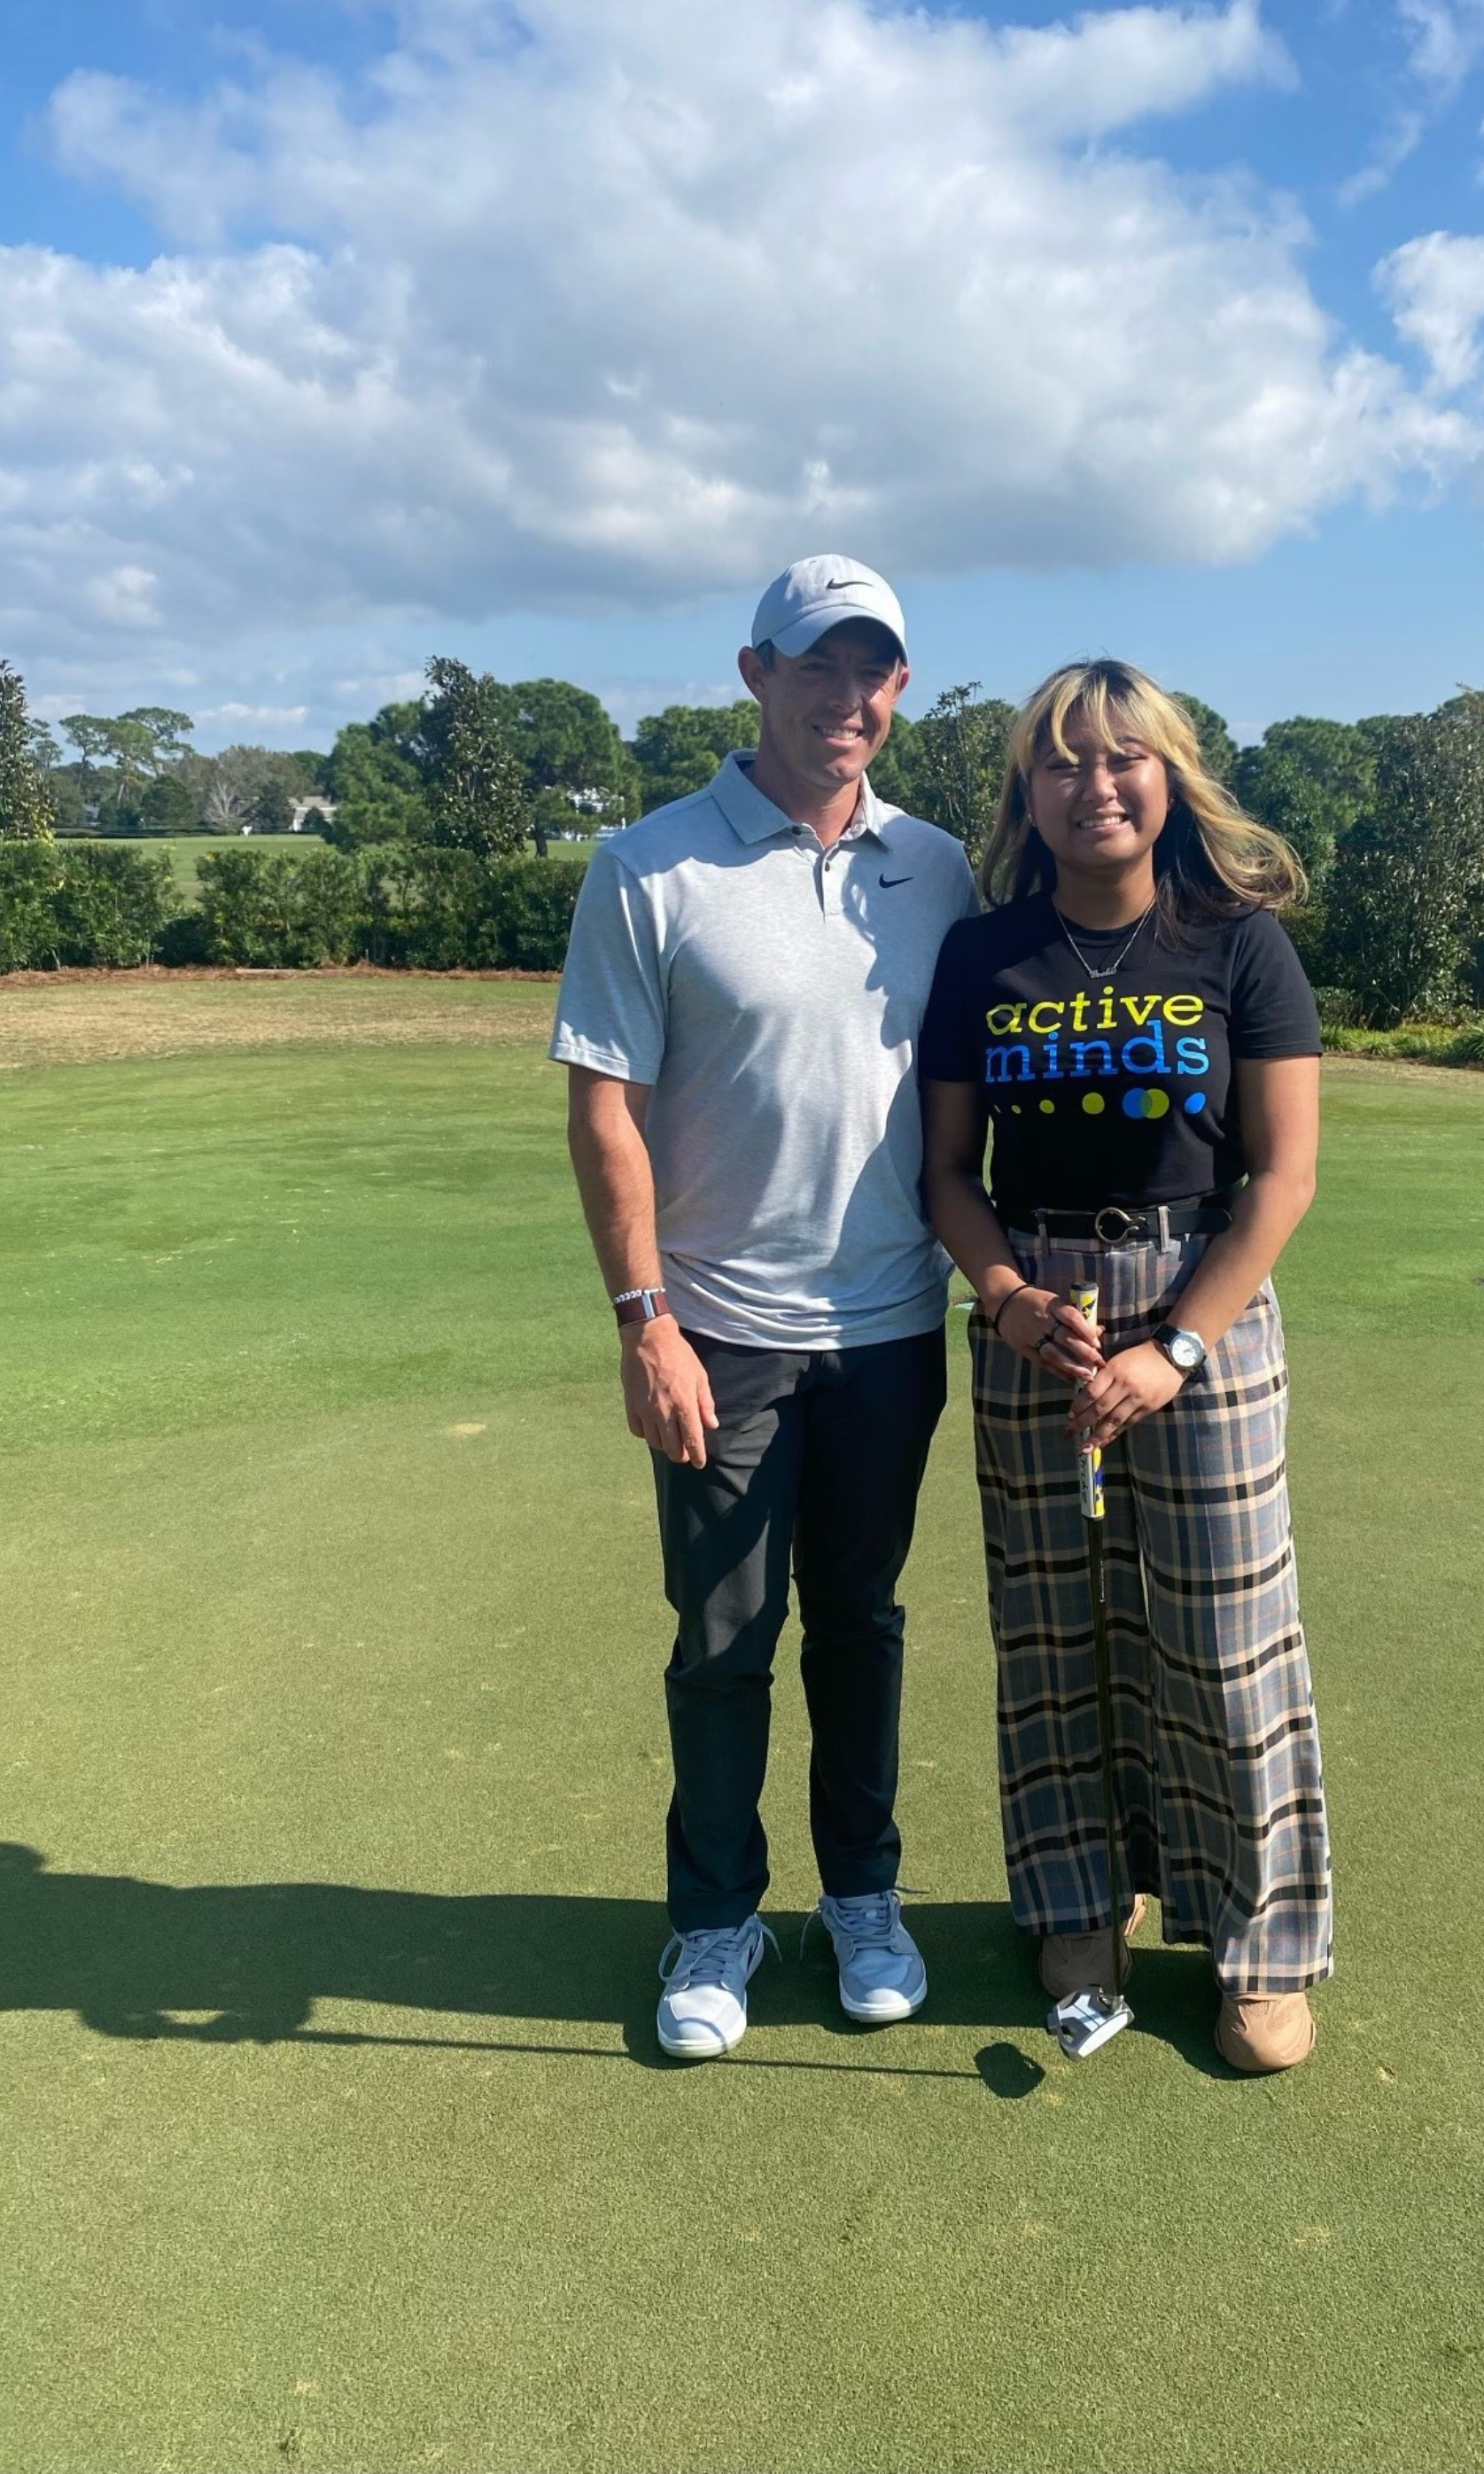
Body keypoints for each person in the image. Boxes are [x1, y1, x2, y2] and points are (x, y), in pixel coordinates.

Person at [552, 555, 979, 2059]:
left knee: (860, 1623)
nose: (845, 697)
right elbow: (605, 1105)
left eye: (874, 670)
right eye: (818, 665)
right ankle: (717, 1919)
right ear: (755, 672)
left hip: (890, 1326)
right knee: (724, 1642)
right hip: (720, 1329)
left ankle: (861, 1897)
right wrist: (642, 1316)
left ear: (900, 690)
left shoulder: (938, 868)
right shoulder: (650, 864)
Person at [919, 658, 1332, 2075]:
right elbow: (945, 1176)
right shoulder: (983, 954)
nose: (1091, 787)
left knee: (1225, 1640)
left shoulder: (1237, 941)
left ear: (1170, 778)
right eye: (1059, 765)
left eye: (1120, 760)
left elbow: (1280, 1180)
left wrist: (1177, 1345)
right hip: (1037, 1309)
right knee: (1052, 1630)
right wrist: (1011, 1297)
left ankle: (1259, 1944)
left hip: (1200, 1305)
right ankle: (1078, 1904)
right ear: (1026, 795)